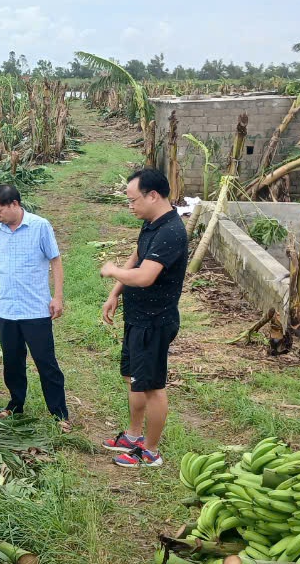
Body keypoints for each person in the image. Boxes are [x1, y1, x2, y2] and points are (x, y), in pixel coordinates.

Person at [100, 168, 188, 468]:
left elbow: (146, 276)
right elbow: (137, 257)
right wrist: (115, 292)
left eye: (133, 200)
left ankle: (150, 452)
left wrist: (112, 270)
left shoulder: (171, 231)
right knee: (133, 378)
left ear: (153, 195)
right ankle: (134, 435)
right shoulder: (151, 223)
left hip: (155, 321)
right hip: (138, 317)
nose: (130, 206)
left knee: (151, 386)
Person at [0, 184, 69, 430]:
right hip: (7, 310)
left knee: (46, 363)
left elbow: (55, 261)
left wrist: (57, 297)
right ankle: (15, 405)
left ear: (14, 204)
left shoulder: (40, 226)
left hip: (35, 309)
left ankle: (60, 415)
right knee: (13, 363)